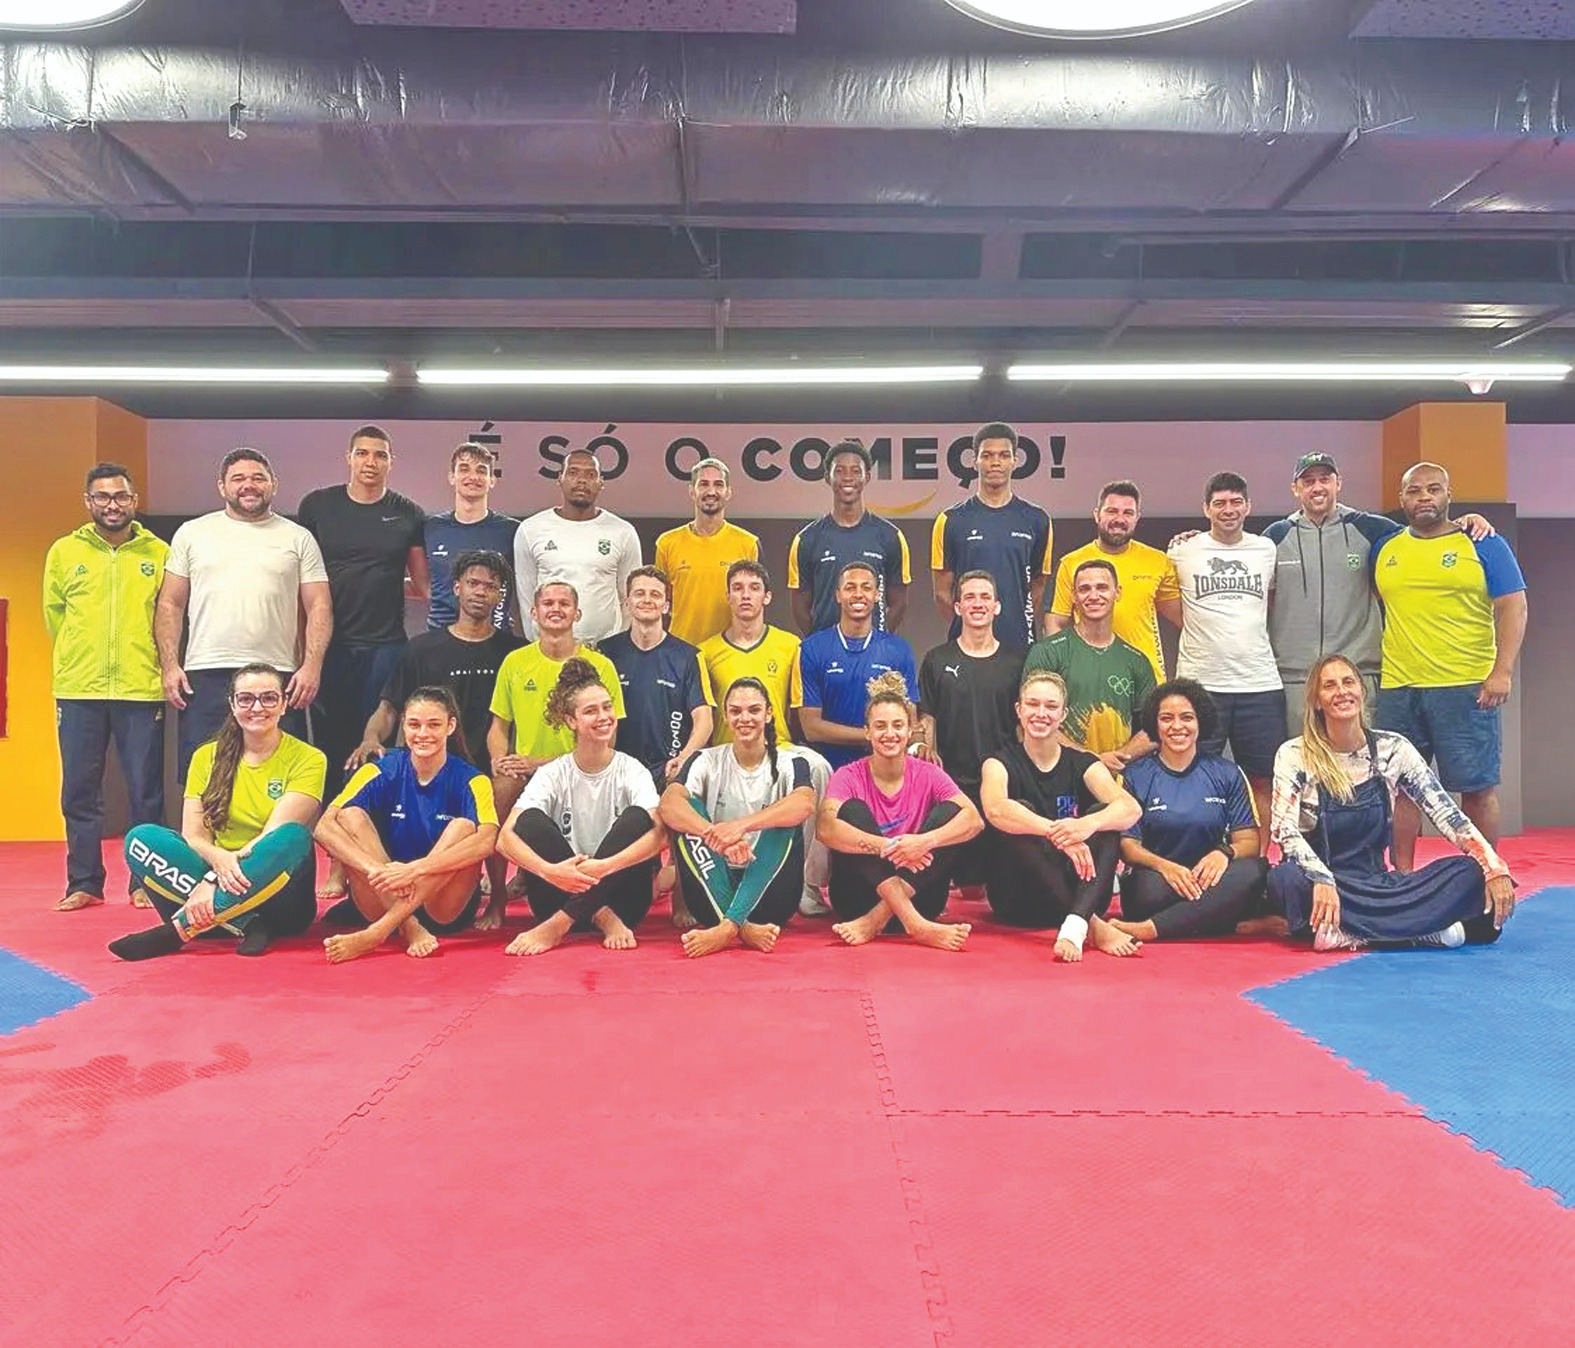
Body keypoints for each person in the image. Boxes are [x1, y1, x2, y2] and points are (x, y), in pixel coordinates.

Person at [1269, 655, 1516, 952]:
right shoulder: (1293, 754)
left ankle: (1351, 934)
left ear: (1362, 691)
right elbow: (1284, 831)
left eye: (1348, 682)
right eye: (1329, 686)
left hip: (1379, 887)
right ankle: (1422, 931)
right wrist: (1322, 879)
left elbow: (1447, 813)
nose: (1341, 692)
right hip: (1323, 884)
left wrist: (1493, 867)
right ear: (1317, 701)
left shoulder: (1393, 749)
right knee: (1284, 878)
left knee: (1470, 874)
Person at [343, 549, 521, 919]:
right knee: (362, 767)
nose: (480, 592)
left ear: (499, 595)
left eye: (490, 586)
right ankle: (353, 876)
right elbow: (389, 707)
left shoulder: (513, 652)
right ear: (456, 588)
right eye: (473, 583)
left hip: (481, 773)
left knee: (503, 784)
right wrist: (370, 739)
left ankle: (498, 899)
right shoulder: (422, 648)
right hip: (428, 766)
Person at [1263, 452, 1493, 737]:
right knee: (1301, 768)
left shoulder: (1372, 529)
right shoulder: (1274, 537)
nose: (1317, 487)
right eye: (1308, 481)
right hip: (1295, 679)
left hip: (1358, 676)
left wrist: (1465, 521)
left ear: (1338, 483)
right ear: (1295, 488)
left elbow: (1424, 533)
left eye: (1325, 479)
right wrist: (1192, 539)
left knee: (1362, 768)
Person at [107, 664, 324, 961]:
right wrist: (217, 865)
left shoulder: (310, 759)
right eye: (246, 699)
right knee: (140, 838)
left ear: (284, 705)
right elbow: (194, 838)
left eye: (269, 698)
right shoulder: (205, 756)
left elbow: (272, 835)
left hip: (277, 903)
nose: (257, 707)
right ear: (233, 705)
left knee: (293, 837)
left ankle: (179, 930)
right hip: (207, 887)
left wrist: (212, 882)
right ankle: (246, 923)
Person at [1372, 462, 1528, 867]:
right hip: (1399, 687)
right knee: (1401, 788)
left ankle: (1485, 875)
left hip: (1466, 687)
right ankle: (1402, 876)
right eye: (1414, 491)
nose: (1424, 497)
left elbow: (1513, 605)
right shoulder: (1384, 549)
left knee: (1475, 788)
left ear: (1448, 494)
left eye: (1433, 489)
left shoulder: (1484, 542)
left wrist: (1503, 670)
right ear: (1402, 498)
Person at [156, 448, 331, 780]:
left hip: (278, 673)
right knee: (207, 773)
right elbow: (170, 604)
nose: (249, 485)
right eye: (238, 478)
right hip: (205, 673)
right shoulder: (192, 534)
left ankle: (276, 835)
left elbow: (319, 605)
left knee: (280, 775)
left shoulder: (298, 538)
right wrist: (169, 665)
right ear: (222, 486)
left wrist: (312, 665)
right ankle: (203, 835)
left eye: (258, 478)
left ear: (273, 485)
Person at [44, 462, 169, 912]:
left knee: (146, 792)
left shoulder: (159, 552)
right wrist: (79, 660)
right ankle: (84, 882)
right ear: (88, 502)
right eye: (102, 497)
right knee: (79, 789)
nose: (112, 504)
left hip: (141, 687)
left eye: (120, 497)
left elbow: (169, 617)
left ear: (134, 501)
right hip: (79, 690)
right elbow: (55, 616)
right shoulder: (63, 552)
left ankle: (145, 883)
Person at [316, 687, 500, 963]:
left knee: (463, 827)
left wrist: (415, 870)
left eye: (434, 725)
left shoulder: (472, 779)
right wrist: (379, 871)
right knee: (349, 815)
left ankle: (379, 932)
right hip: (385, 892)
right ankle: (408, 926)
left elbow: (488, 841)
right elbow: (323, 827)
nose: (423, 734)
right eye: (414, 724)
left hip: (442, 904)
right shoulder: (379, 769)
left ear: (450, 726)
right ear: (403, 725)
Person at [496, 659, 666, 955]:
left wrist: (605, 867)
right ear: (571, 721)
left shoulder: (631, 769)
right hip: (558, 892)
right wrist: (549, 871)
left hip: (623, 900)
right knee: (529, 821)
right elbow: (505, 838)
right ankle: (601, 915)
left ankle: (560, 925)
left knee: (638, 818)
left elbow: (661, 836)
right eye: (590, 711)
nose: (603, 717)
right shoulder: (554, 773)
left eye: (606, 707)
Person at [297, 424, 427, 805]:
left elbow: (422, 584)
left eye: (380, 455)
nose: (371, 462)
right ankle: (333, 824)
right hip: (329, 646)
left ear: (391, 462)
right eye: (363, 453)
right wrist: (303, 650)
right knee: (329, 740)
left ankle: (376, 817)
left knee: (378, 739)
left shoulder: (408, 513)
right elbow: (301, 579)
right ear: (349, 458)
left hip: (386, 645)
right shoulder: (318, 506)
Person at [483, 581, 624, 928]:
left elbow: (609, 737)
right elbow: (498, 728)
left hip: (580, 769)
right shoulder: (515, 662)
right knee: (498, 788)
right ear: (534, 612)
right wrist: (500, 760)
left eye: (564, 603)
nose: (556, 608)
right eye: (548, 602)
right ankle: (498, 897)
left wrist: (539, 764)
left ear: (577, 613)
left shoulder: (600, 666)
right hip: (526, 773)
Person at [978, 671, 1143, 962]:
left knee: (1103, 816)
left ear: (1063, 714)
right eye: (1033, 704)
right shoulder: (998, 763)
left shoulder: (1084, 763)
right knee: (1020, 814)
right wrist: (1057, 834)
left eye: (1051, 707)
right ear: (1019, 710)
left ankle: (1077, 922)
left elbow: (1131, 809)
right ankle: (1091, 925)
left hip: (1083, 890)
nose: (1041, 713)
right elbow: (996, 809)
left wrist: (1084, 826)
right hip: (1019, 899)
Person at [697, 559, 831, 916]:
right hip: (726, 751)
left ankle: (806, 884)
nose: (745, 595)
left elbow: (797, 711)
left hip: (777, 748)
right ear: (727, 596)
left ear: (767, 597)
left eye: (754, 588)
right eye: (738, 588)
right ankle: (711, 881)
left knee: (818, 767)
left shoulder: (789, 646)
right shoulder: (706, 652)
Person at [817, 672, 983, 952]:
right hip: (857, 899)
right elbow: (825, 828)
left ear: (910, 731)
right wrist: (888, 846)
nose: (890, 734)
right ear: (867, 732)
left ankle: (877, 920)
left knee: (951, 814)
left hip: (921, 897)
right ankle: (915, 925)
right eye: (880, 726)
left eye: (897, 726)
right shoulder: (849, 775)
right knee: (851, 811)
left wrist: (924, 842)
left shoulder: (929, 773)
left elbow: (974, 820)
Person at [659, 678, 817, 958]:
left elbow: (804, 804)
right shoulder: (704, 760)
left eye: (754, 710)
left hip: (772, 896)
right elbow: (669, 804)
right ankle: (741, 928)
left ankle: (729, 926)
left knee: (784, 819)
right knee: (687, 811)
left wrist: (739, 827)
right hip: (712, 889)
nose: (745, 718)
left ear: (769, 713)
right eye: (736, 711)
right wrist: (715, 836)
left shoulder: (792, 762)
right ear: (726, 715)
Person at [1108, 680, 1271, 944]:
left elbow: (1250, 842)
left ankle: (1152, 929)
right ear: (1154, 724)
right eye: (1166, 718)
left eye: (1187, 718)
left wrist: (1224, 853)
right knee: (1145, 892)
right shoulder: (1135, 776)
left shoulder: (1226, 772)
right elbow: (1128, 846)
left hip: (1213, 879)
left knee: (1255, 872)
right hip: (1159, 881)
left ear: (1200, 722)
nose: (1177, 727)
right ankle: (1216, 916)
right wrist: (1165, 867)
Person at [1167, 471, 1281, 826]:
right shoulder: (1182, 551)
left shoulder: (1266, 549)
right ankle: (1200, 853)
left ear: (1248, 506)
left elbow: (1271, 603)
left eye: (1235, 502)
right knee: (1194, 775)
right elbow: (1168, 603)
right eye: (1219, 503)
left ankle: (1259, 864)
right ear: (1206, 509)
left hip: (1259, 683)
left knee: (1263, 778)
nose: (1228, 510)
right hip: (1201, 684)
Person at [916, 570, 1024, 898]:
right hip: (954, 786)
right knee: (970, 891)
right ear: (958, 607)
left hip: (1001, 787)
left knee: (999, 891)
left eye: (985, 597)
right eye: (970, 598)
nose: (978, 604)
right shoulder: (937, 659)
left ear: (997, 607)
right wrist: (925, 747)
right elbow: (927, 716)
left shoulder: (1017, 660)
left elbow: (1024, 725)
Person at [930, 422, 1053, 649]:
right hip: (966, 646)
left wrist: (1016, 621)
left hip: (1019, 645)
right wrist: (974, 627)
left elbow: (1037, 585)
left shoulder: (1037, 520)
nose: (995, 462)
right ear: (974, 460)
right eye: (987, 455)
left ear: (1015, 461)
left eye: (1004, 455)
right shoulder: (950, 520)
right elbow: (942, 593)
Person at [1025, 559, 1155, 772]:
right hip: (1060, 774)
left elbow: (1153, 729)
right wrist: (1090, 760)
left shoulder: (1137, 661)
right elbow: (1029, 721)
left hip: (1118, 777)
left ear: (1117, 592)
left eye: (1102, 587)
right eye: (1084, 589)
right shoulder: (1047, 652)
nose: (1093, 596)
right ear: (1074, 597)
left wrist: (1119, 757)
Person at [1046, 479, 1179, 681]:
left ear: (1137, 518)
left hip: (1146, 679)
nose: (1119, 519)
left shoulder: (1158, 561)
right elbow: (1056, 622)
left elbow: (1184, 618)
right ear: (1097, 515)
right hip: (1090, 676)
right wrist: (1064, 670)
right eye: (1112, 511)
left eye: (1128, 513)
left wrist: (1197, 541)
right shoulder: (1071, 563)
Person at [796, 561, 918, 770]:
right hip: (829, 768)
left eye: (866, 587)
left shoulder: (899, 650)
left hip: (884, 769)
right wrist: (872, 734)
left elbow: (910, 721)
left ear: (877, 595)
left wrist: (918, 741)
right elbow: (811, 728)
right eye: (850, 587)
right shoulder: (812, 648)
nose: (859, 594)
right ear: (837, 595)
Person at [598, 567, 714, 786]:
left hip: (667, 771)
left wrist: (683, 758)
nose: (647, 600)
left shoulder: (689, 656)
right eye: (639, 593)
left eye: (656, 594)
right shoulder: (605, 653)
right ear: (627, 602)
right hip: (615, 770)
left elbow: (704, 719)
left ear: (666, 606)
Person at [513, 447, 641, 643]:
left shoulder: (622, 532)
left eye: (590, 474)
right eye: (573, 472)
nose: (581, 480)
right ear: (560, 479)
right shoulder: (531, 529)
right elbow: (526, 597)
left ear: (601, 483)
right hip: (548, 649)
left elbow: (629, 599)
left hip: (605, 652)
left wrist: (616, 646)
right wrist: (539, 644)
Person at [787, 439, 910, 634]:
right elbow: (799, 606)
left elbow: (899, 602)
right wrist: (821, 642)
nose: (847, 477)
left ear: (867, 477)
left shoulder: (890, 536)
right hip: (826, 654)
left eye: (855, 471)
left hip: (875, 652)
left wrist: (880, 638)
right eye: (839, 471)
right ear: (828, 477)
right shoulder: (806, 540)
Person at [654, 457, 760, 646]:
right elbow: (661, 604)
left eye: (718, 485)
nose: (711, 491)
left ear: (728, 492)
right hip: (681, 652)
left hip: (729, 651)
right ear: (691, 491)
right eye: (703, 484)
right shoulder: (667, 543)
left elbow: (754, 605)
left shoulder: (747, 543)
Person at [423, 441, 521, 632]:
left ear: (492, 480)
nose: (473, 477)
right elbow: (422, 582)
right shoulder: (430, 528)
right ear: (452, 477)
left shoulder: (513, 531)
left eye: (482, 470)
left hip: (494, 639)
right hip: (438, 638)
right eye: (464, 469)